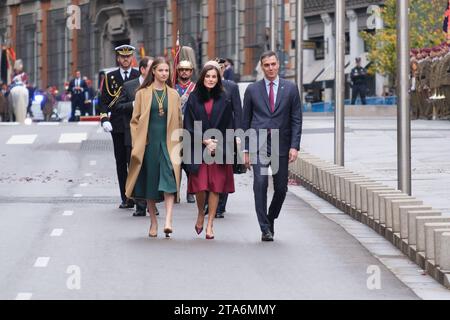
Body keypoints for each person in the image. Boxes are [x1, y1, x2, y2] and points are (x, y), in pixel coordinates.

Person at [242, 51, 302, 242]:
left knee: (281, 188)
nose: (270, 68)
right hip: (258, 143)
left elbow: (296, 120)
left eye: (273, 64)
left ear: (278, 65)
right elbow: (245, 121)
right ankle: (264, 228)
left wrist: (294, 146)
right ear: (262, 66)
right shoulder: (252, 90)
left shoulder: (290, 88)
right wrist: (245, 150)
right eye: (266, 65)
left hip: (281, 144)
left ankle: (270, 218)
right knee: (259, 183)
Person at [125, 57, 182, 238]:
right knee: (151, 184)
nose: (164, 73)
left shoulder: (174, 94)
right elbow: (134, 121)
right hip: (149, 145)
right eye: (161, 70)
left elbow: (179, 120)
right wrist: (138, 142)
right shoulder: (142, 94)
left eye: (167, 71)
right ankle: (154, 221)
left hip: (168, 144)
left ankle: (168, 220)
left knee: (169, 182)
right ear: (154, 72)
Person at [184, 62, 238, 240]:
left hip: (218, 148)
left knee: (215, 187)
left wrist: (218, 143)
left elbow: (229, 125)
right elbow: (188, 125)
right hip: (198, 148)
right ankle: (201, 212)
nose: (211, 79)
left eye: (214, 76)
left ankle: (210, 223)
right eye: (208, 76)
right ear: (202, 77)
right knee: (200, 187)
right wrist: (204, 140)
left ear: (219, 79)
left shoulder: (224, 97)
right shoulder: (193, 98)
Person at [99, 45, 140, 209]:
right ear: (118, 58)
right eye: (122, 57)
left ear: (132, 58)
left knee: (135, 161)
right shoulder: (110, 77)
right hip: (117, 125)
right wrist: (104, 119)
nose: (125, 59)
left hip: (135, 123)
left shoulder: (139, 75)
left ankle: (137, 195)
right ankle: (126, 197)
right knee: (121, 162)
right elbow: (104, 100)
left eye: (128, 56)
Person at [115, 56, 156, 217]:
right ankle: (140, 204)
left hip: (153, 134)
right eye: (152, 68)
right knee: (137, 169)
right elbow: (118, 106)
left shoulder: (158, 86)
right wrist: (134, 104)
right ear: (143, 69)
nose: (155, 71)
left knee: (152, 169)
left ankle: (152, 203)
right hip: (133, 134)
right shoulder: (129, 86)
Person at [206, 58, 243, 218]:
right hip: (207, 135)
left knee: (223, 170)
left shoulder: (231, 87)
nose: (218, 71)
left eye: (221, 68)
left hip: (227, 134)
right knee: (207, 169)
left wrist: (239, 135)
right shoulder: (203, 87)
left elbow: (238, 112)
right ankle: (209, 201)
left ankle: (220, 206)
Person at [175, 60, 197, 204]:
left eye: (187, 70)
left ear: (191, 72)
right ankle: (174, 191)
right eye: (181, 69)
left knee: (189, 162)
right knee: (175, 162)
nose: (184, 72)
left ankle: (191, 191)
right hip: (175, 129)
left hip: (190, 129)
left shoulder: (196, 88)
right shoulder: (172, 87)